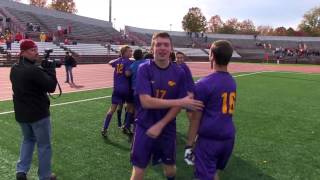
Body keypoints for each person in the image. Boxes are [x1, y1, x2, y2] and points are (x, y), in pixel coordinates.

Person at [130, 32, 204, 180]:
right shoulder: (144, 69)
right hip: (145, 126)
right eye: (158, 44)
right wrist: (181, 102)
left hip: (168, 128)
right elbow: (146, 101)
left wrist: (162, 124)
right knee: (138, 170)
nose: (162, 48)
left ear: (171, 48)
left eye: (166, 45)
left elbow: (177, 107)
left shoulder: (179, 72)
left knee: (170, 169)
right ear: (152, 49)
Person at [185, 40, 237, 180]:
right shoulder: (232, 81)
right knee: (213, 172)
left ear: (212, 55)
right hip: (228, 138)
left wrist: (189, 145)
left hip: (210, 140)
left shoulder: (204, 83)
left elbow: (195, 119)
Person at [10, 39, 57, 180]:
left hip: (21, 114)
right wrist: (51, 70)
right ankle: (45, 176)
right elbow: (51, 87)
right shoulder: (33, 70)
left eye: (36, 49)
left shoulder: (14, 68)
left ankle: (21, 171)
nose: (36, 52)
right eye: (32, 50)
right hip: (38, 114)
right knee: (44, 146)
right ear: (23, 52)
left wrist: (43, 70)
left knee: (28, 140)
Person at [101, 45, 135, 138]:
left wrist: (118, 59)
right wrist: (133, 71)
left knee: (112, 109)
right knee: (130, 107)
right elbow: (127, 74)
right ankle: (126, 126)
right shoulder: (129, 62)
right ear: (124, 52)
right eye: (129, 51)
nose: (131, 53)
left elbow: (109, 62)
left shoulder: (118, 61)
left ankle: (104, 128)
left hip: (116, 89)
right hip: (125, 89)